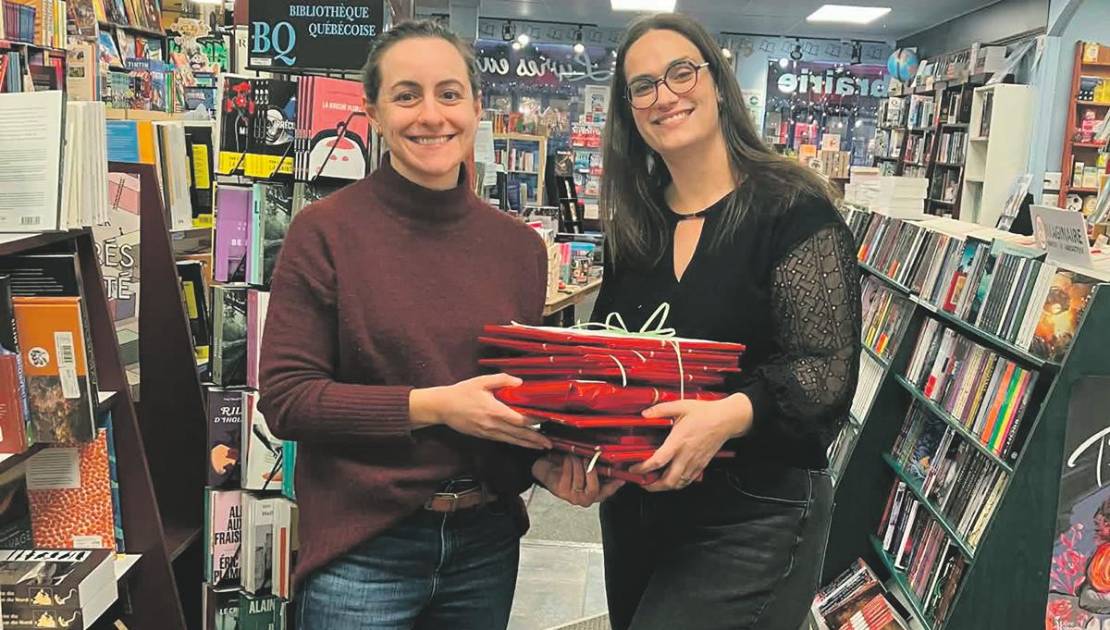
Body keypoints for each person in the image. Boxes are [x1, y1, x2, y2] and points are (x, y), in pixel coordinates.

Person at [258, 20, 601, 630]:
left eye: (448, 94)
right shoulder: (325, 232)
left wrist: (544, 464)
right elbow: (287, 400)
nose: (430, 115)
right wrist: (435, 406)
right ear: (374, 111)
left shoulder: (518, 248)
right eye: (406, 95)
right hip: (364, 547)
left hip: (484, 544)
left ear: (475, 105)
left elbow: (504, 402)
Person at [590, 13, 863, 630]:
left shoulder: (791, 207)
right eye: (642, 85)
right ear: (629, 110)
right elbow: (610, 361)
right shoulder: (635, 225)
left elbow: (826, 372)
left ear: (717, 83)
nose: (664, 95)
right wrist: (582, 450)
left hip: (753, 510)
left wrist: (727, 416)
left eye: (680, 72)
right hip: (638, 502)